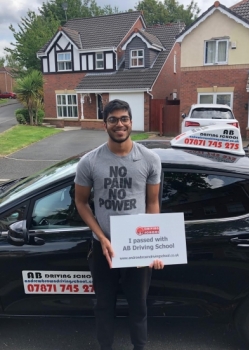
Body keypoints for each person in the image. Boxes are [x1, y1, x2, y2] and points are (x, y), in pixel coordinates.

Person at [74, 99, 164, 350]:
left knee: (139, 306)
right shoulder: (89, 162)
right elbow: (81, 203)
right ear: (105, 125)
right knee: (103, 306)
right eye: (113, 119)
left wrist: (152, 244)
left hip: (136, 246)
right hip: (104, 247)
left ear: (131, 122)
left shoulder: (150, 159)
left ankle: (139, 347)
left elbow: (153, 203)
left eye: (124, 118)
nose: (119, 124)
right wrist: (102, 238)